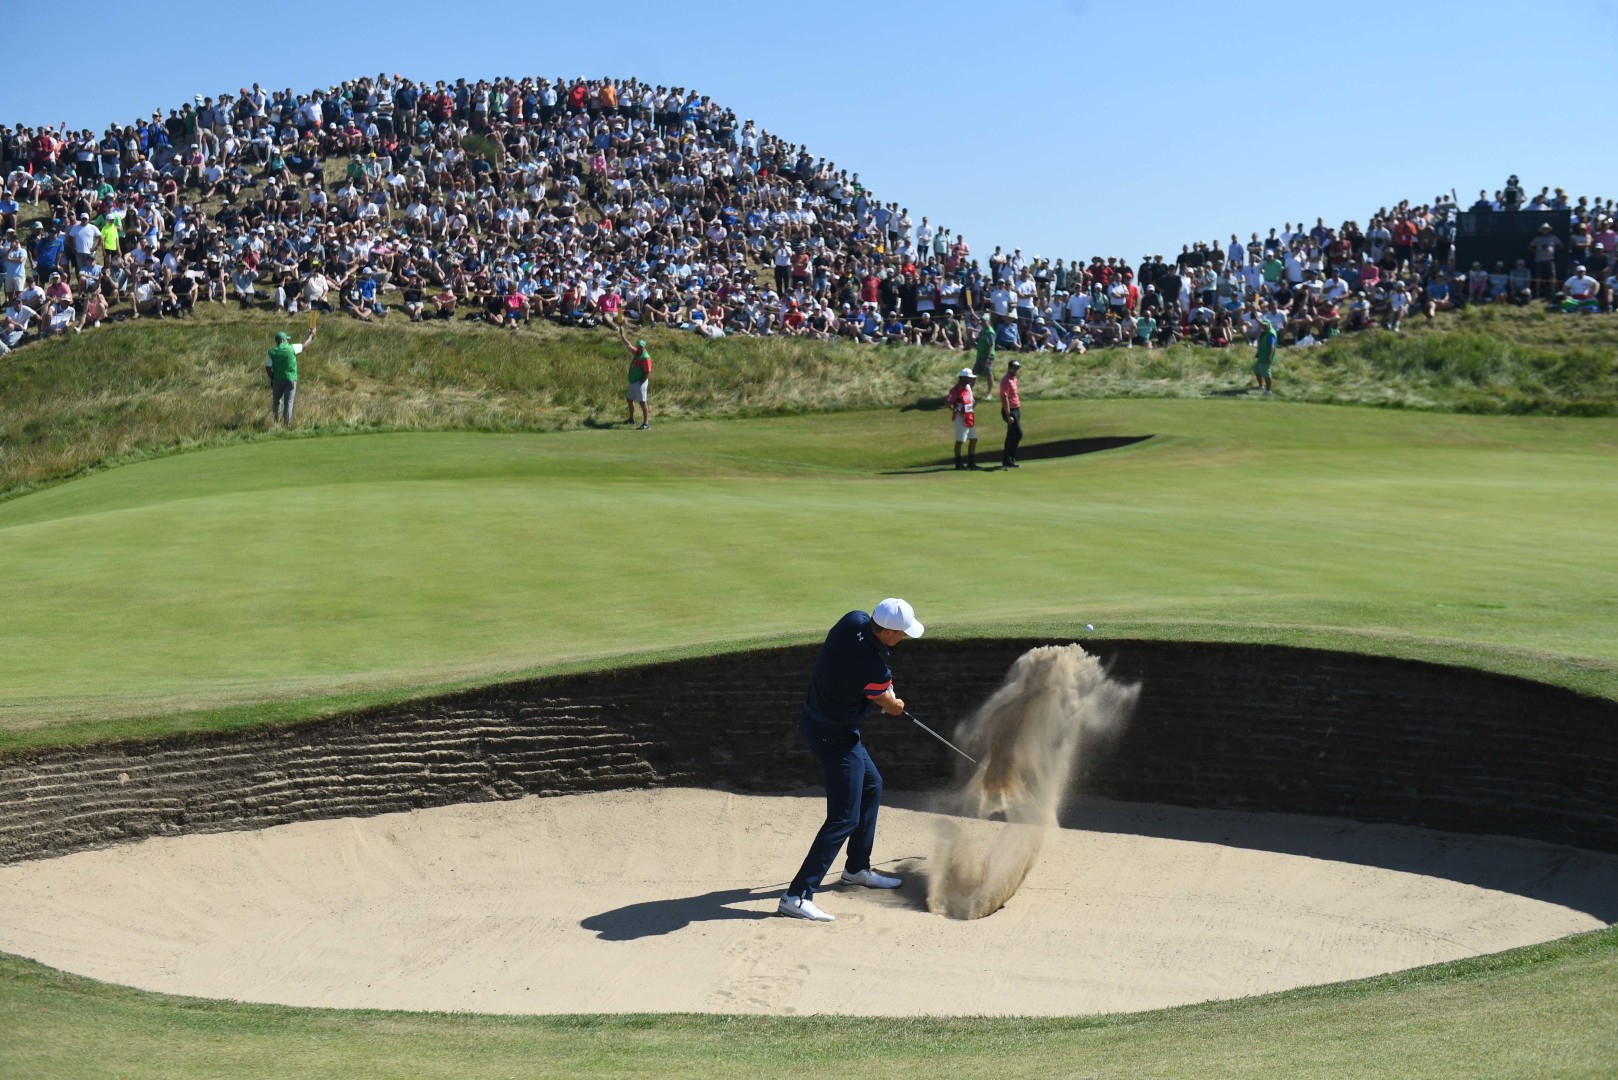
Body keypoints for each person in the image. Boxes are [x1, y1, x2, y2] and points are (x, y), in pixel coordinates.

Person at [779, 598, 924, 923]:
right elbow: (885, 700)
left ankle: (857, 868)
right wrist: (895, 705)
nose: (903, 638)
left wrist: (887, 693)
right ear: (886, 631)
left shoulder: (853, 621)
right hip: (833, 736)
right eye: (901, 633)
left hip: (821, 723)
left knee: (872, 785)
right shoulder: (870, 665)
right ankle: (797, 896)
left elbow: (878, 685)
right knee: (843, 817)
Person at [265, 326, 316, 425]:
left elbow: (268, 368)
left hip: (277, 379)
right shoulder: (292, 348)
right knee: (288, 403)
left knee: (276, 402)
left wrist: (272, 378)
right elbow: (305, 345)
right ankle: (287, 424)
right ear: (284, 340)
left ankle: (276, 423)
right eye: (286, 339)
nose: (287, 340)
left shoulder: (271, 352)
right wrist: (311, 336)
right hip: (291, 379)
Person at [617, 322, 651, 429]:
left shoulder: (645, 357)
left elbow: (647, 372)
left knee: (642, 402)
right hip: (633, 382)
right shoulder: (637, 353)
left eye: (641, 347)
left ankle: (646, 423)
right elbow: (628, 345)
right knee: (629, 399)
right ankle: (631, 419)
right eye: (638, 346)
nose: (639, 348)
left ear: (644, 347)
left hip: (640, 383)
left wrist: (641, 382)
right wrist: (622, 335)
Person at [946, 367, 980, 470]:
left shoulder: (968, 387)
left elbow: (971, 401)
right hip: (960, 418)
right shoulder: (956, 389)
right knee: (960, 441)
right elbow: (947, 402)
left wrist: (972, 405)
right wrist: (955, 410)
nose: (971, 379)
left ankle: (971, 463)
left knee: (974, 439)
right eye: (969, 378)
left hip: (969, 417)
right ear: (963, 378)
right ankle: (958, 464)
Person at [1000, 359, 1023, 468]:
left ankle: (1008, 460)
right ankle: (1009, 459)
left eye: (1017, 368)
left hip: (1016, 409)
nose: (1016, 370)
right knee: (1018, 434)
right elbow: (1004, 397)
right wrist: (1008, 414)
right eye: (1014, 368)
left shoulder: (1014, 379)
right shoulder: (1006, 380)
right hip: (1010, 410)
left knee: (1011, 435)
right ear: (1009, 368)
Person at [1252, 320, 1277, 395]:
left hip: (1266, 357)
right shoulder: (1266, 331)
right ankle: (1261, 386)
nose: (1264, 326)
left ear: (1269, 325)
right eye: (1263, 325)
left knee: (1266, 374)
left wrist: (1269, 356)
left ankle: (1268, 390)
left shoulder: (1270, 334)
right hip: (1261, 356)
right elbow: (1260, 323)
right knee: (1256, 369)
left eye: (1265, 325)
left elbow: (1271, 346)